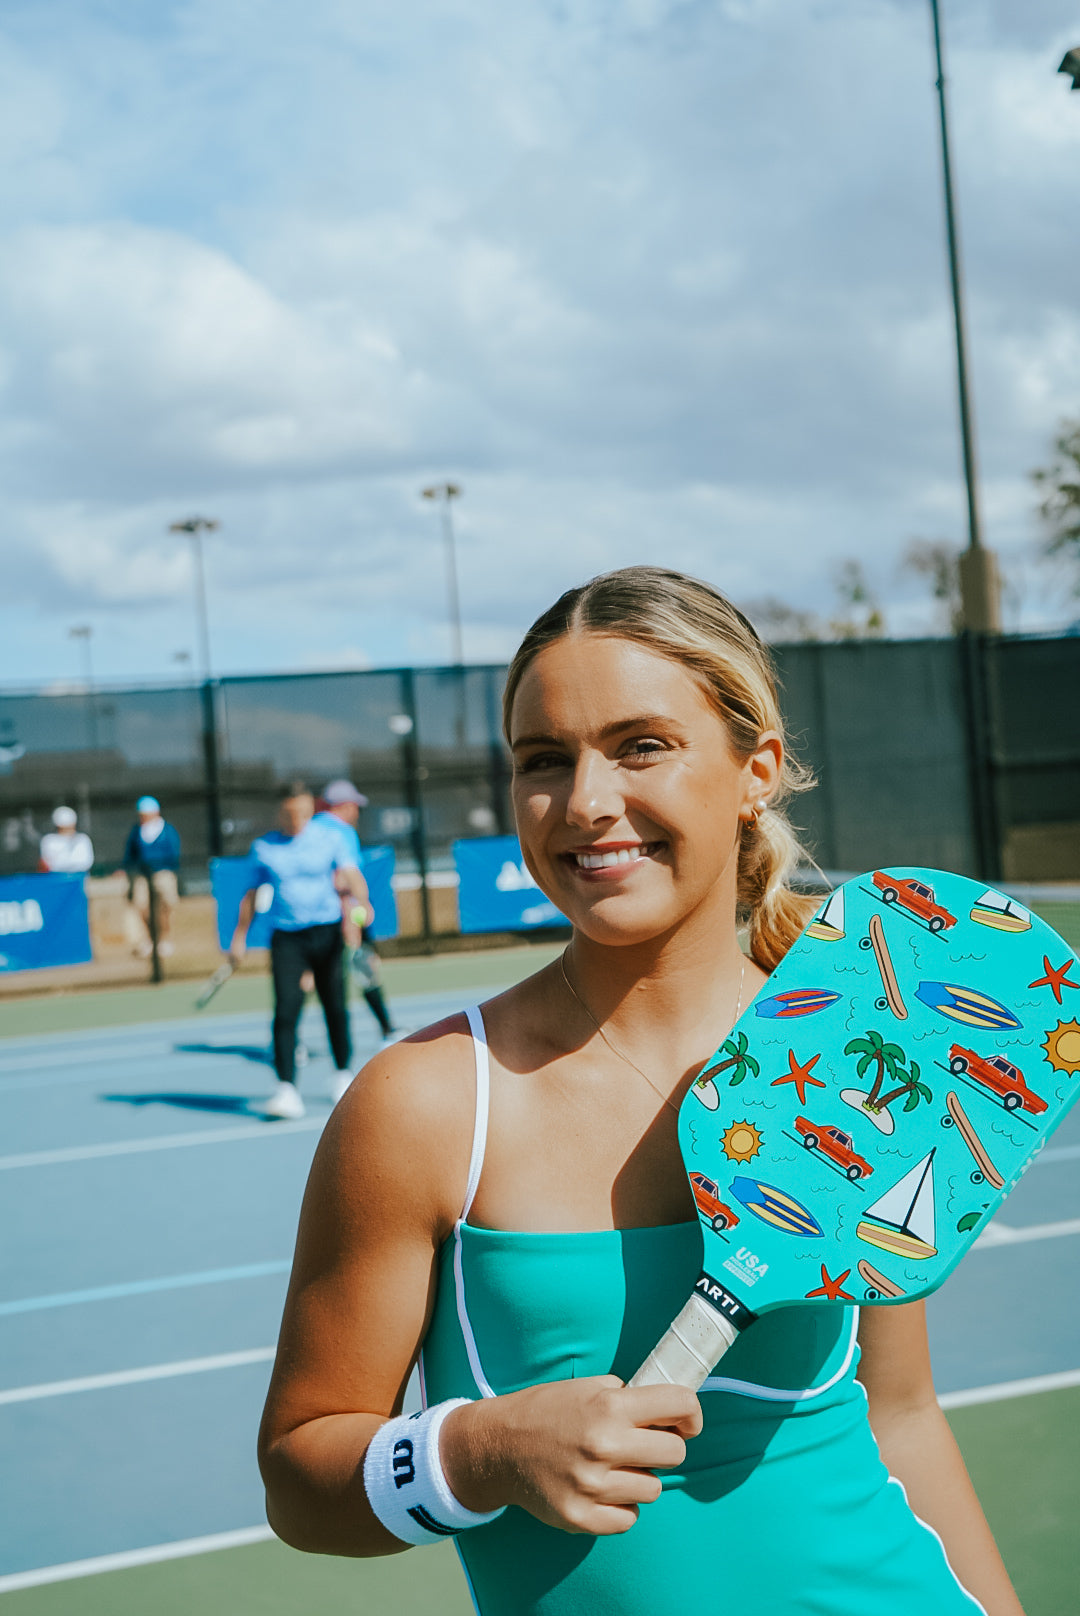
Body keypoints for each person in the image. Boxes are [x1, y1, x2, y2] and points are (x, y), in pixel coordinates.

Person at [257, 568, 1022, 1616]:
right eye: (543, 760)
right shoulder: (428, 1104)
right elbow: (302, 1477)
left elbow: (901, 1416)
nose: (585, 801)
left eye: (641, 744)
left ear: (755, 770)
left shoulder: (861, 1053)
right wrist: (478, 1449)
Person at [230, 781, 369, 1121]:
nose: (298, 819)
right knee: (286, 1011)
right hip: (287, 939)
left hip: (326, 933)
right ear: (281, 811)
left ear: (310, 809)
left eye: (304, 812)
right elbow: (250, 895)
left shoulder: (331, 838)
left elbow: (351, 874)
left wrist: (361, 905)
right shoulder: (263, 848)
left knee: (335, 1006)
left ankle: (341, 1075)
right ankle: (287, 1089)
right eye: (291, 813)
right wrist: (239, 937)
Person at [316, 779, 397, 1043]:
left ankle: (291, 1044)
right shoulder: (341, 832)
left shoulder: (310, 828)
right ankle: (387, 1029)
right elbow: (342, 876)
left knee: (308, 975)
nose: (358, 812)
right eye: (355, 806)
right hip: (342, 914)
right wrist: (355, 908)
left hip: (315, 919)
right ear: (344, 805)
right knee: (365, 966)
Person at [122, 796, 181, 958]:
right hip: (141, 875)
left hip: (163, 873)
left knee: (166, 906)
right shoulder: (136, 831)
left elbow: (174, 853)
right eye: (141, 814)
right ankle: (150, 939)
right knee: (141, 906)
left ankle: (165, 940)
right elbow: (130, 854)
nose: (143, 817)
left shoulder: (167, 830)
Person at [39, 807, 94, 874]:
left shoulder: (82, 839)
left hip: (79, 877)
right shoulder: (48, 840)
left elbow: (85, 862)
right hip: (56, 878)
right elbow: (48, 865)